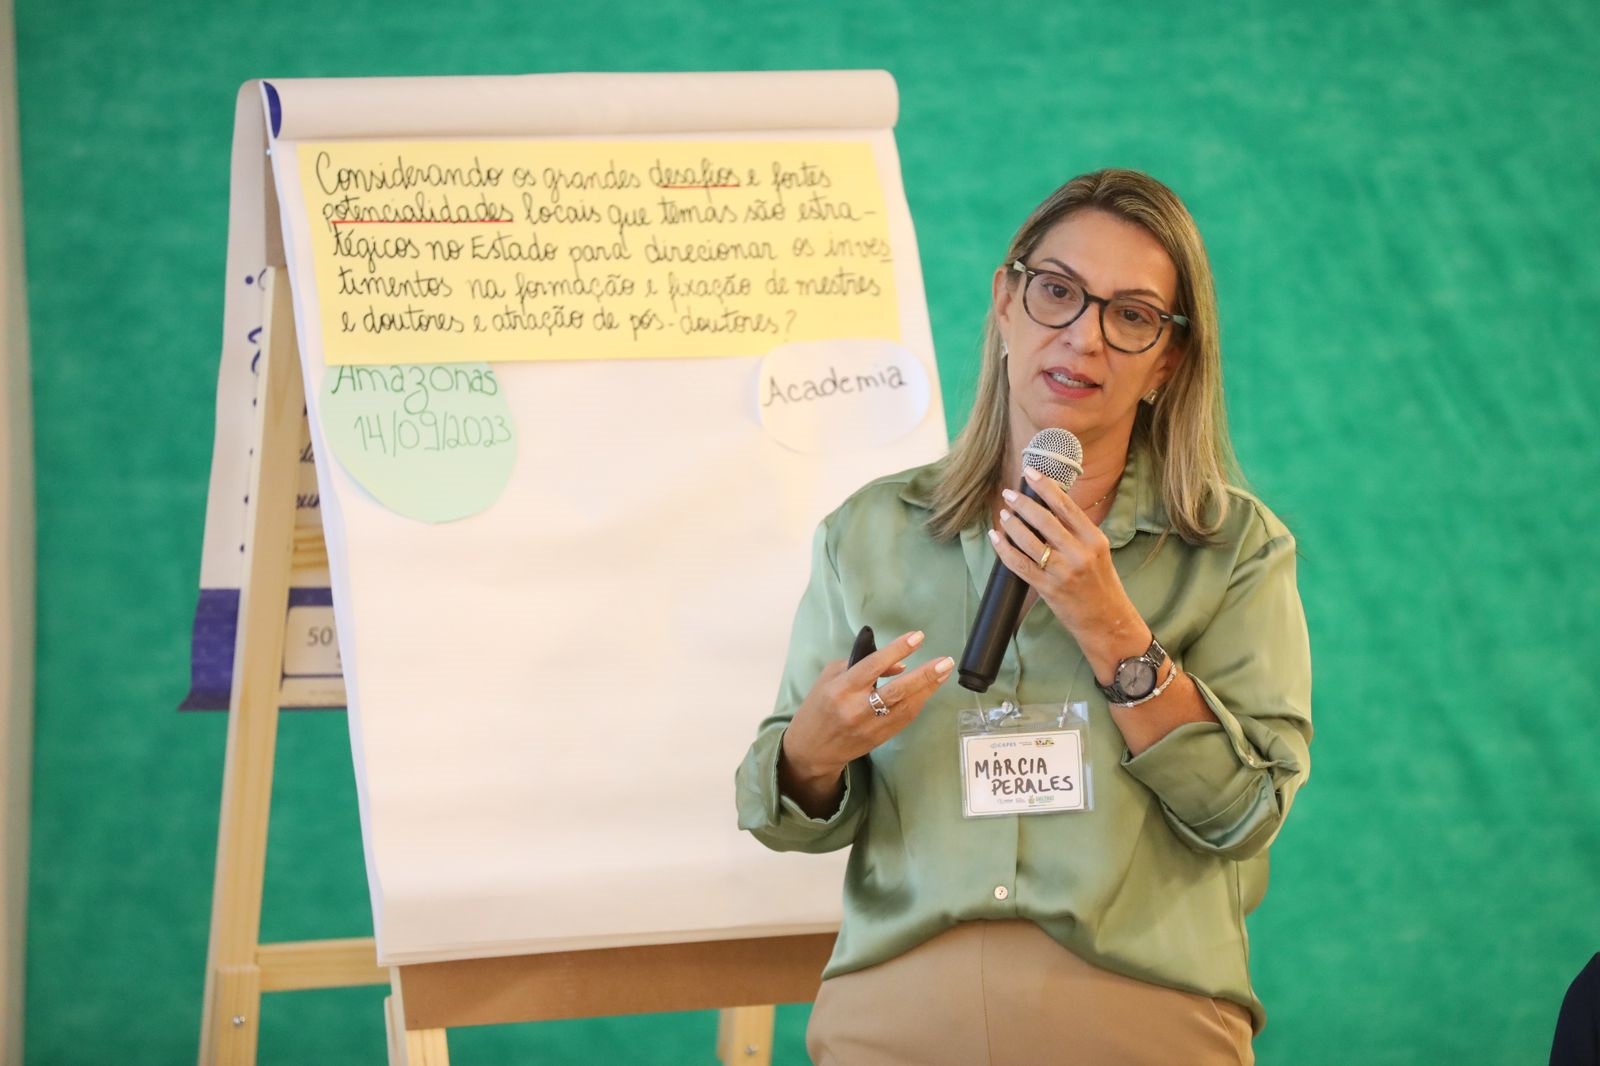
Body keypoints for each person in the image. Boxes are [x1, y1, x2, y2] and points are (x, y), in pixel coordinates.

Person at [736, 168, 1312, 1065]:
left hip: (1138, 1018)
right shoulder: (870, 532)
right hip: (897, 1015)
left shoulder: (1234, 548)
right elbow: (783, 813)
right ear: (1006, 304)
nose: (1083, 336)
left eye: (1131, 316)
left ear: (1167, 362)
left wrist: (1111, 627)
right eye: (1057, 292)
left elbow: (1245, 815)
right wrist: (813, 751)